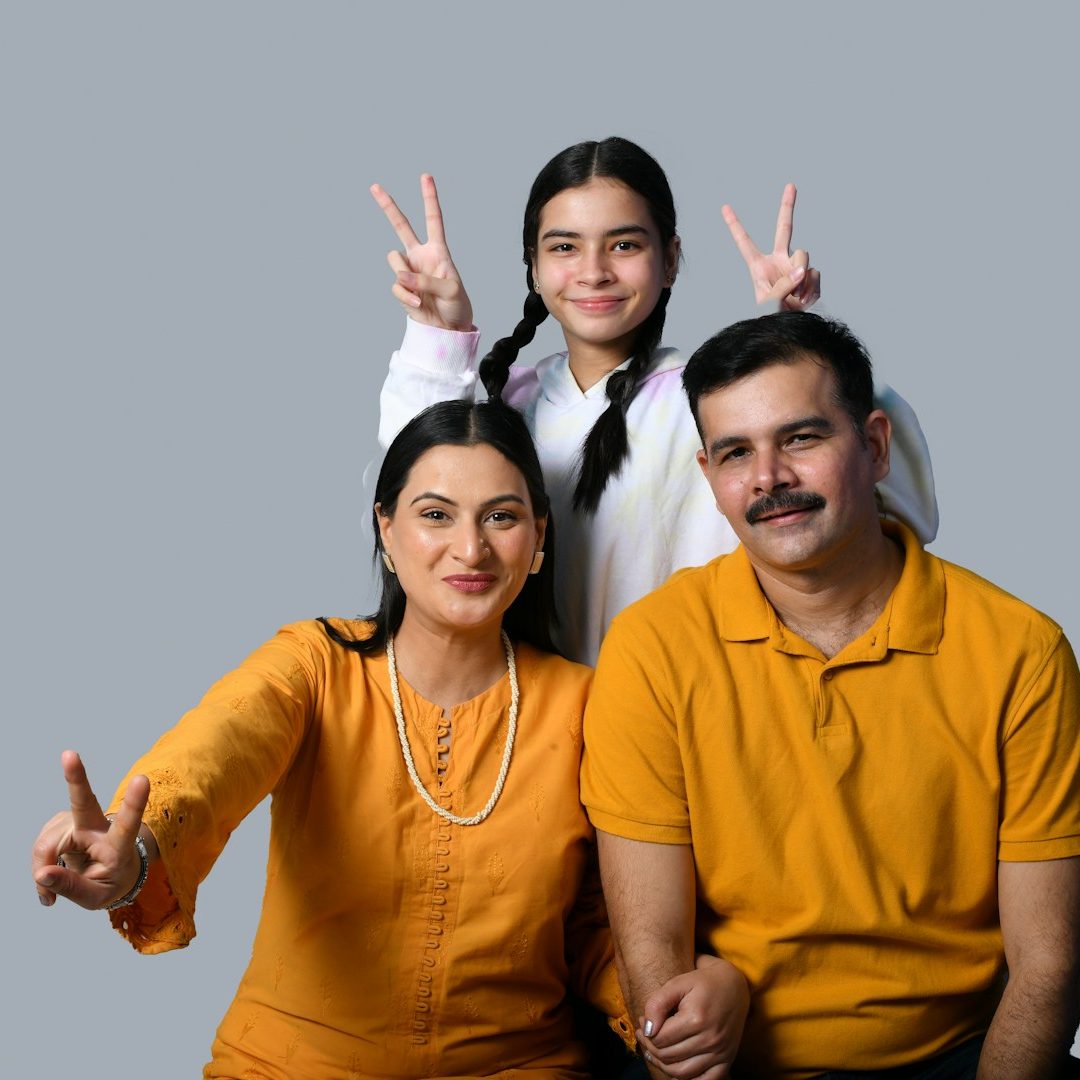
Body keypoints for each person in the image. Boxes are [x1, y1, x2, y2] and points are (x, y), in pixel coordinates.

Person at [31, 400, 736, 1079]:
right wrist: (139, 847)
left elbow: (591, 927)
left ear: (538, 538)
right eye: (436, 515)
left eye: (501, 517)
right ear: (386, 530)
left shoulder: (588, 704)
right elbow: (219, 750)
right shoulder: (315, 665)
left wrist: (694, 996)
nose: (471, 548)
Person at [580, 312, 1080, 1078]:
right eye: (736, 453)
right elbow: (654, 953)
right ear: (710, 476)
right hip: (738, 1063)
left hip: (959, 1057)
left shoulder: (1022, 652)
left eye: (802, 438)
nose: (769, 478)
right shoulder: (652, 647)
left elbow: (1049, 964)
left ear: (876, 446)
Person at [371, 137, 938, 664]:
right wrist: (439, 335)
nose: (594, 272)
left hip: (687, 704)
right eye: (565, 247)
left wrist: (799, 344)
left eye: (624, 245)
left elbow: (894, 499)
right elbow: (409, 502)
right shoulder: (508, 400)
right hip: (534, 715)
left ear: (669, 260)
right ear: (534, 269)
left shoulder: (717, 405)